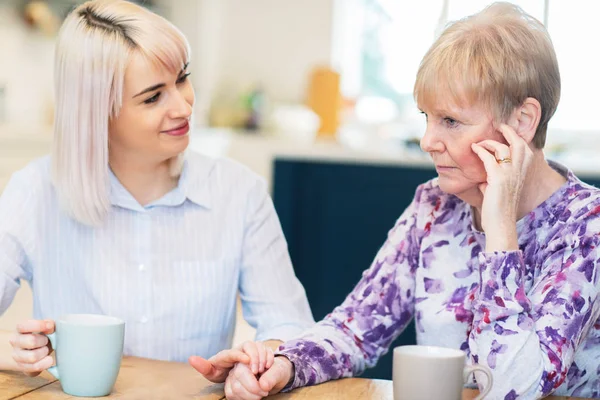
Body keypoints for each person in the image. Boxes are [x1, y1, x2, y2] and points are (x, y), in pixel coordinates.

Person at [219, 3, 600, 399]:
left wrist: (500, 228)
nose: (427, 141)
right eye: (426, 117)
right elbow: (356, 328)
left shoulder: (587, 226)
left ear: (522, 122)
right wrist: (283, 365)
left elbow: (516, 388)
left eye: (450, 121)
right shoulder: (434, 206)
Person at [0, 0, 314, 380]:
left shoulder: (239, 193)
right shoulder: (35, 192)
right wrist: (11, 350)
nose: (183, 106)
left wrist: (264, 357)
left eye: (182, 78)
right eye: (152, 97)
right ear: (97, 112)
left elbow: (291, 330)